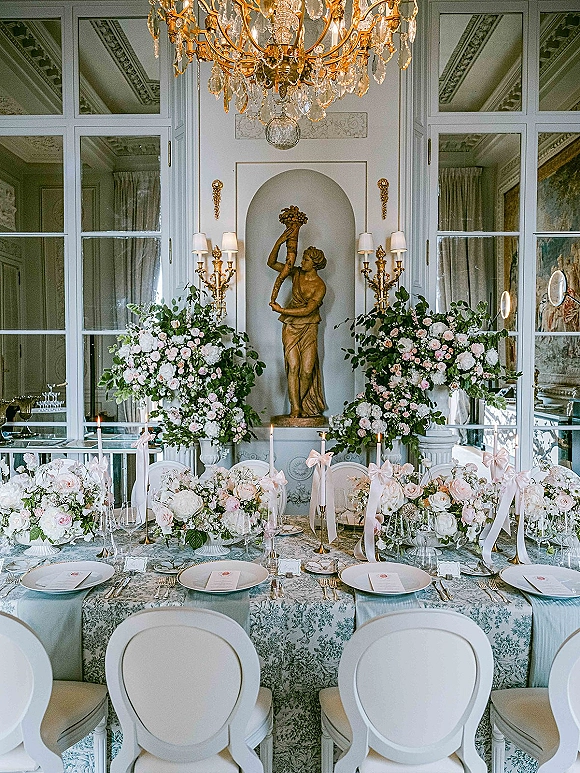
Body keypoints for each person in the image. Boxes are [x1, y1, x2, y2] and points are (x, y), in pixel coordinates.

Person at [268, 228, 327, 419]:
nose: (302, 262)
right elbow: (272, 263)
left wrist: (281, 310)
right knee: (293, 367)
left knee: (307, 371)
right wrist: (280, 241)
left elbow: (307, 310)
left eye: (306, 259)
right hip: (291, 327)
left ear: (315, 263)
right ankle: (295, 408)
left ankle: (300, 404)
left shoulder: (320, 286)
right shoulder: (296, 273)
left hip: (309, 327)